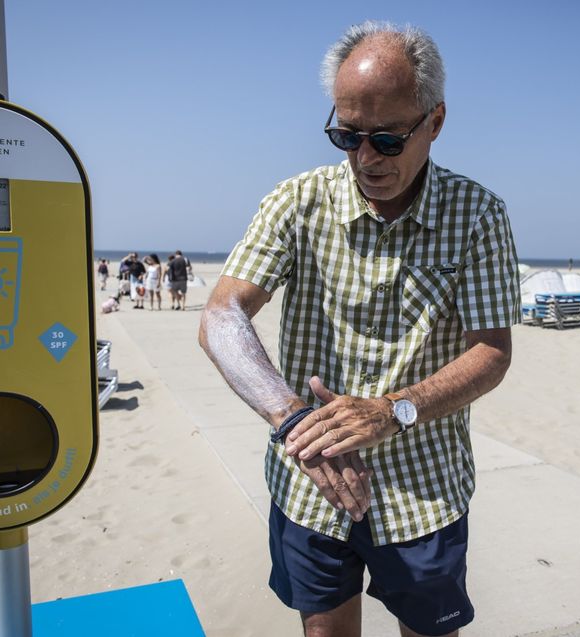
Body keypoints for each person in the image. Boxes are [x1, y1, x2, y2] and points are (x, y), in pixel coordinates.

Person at [199, 22, 520, 637]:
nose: (365, 158)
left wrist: (393, 409)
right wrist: (294, 420)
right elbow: (221, 317)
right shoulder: (299, 201)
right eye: (346, 135)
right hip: (310, 488)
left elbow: (492, 352)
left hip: (422, 486)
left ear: (436, 121)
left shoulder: (478, 215)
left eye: (388, 140)